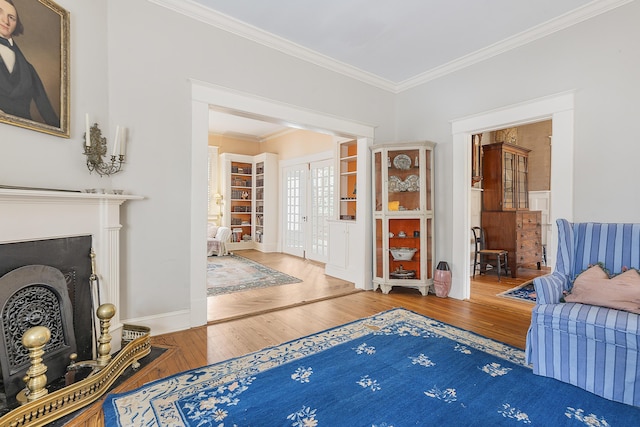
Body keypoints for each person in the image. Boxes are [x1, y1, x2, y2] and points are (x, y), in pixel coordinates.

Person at [0, 0, 59, 127]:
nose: (6, 21)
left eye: (12, 17)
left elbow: (45, 108)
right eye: (0, 12)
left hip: (25, 132)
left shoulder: (28, 68)